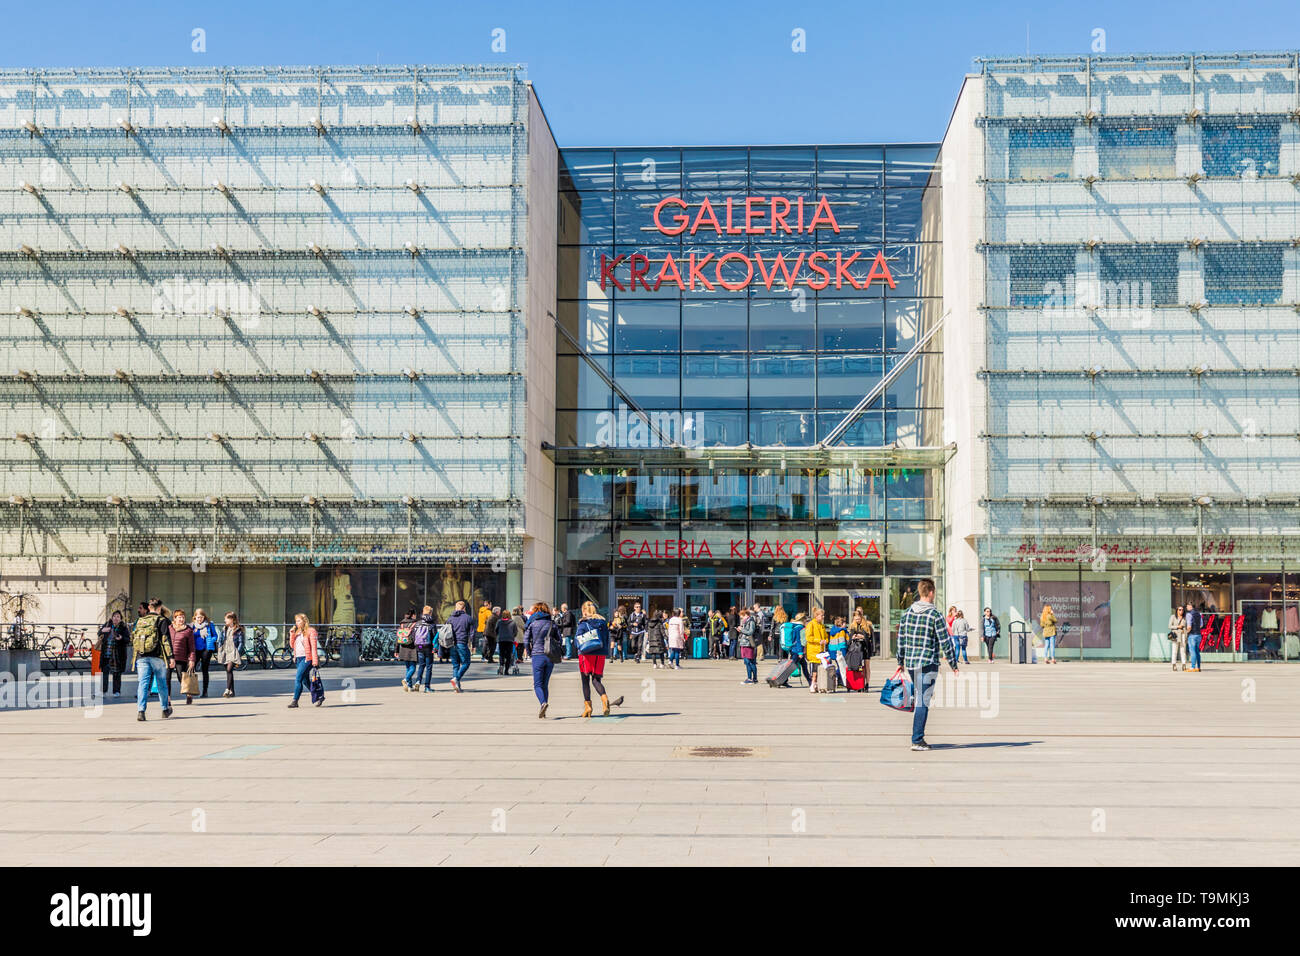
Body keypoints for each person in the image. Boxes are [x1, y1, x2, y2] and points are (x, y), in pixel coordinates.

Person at [896, 578, 959, 751]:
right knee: (923, 700)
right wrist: (953, 664)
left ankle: (917, 736)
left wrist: (900, 661)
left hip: (911, 663)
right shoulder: (935, 615)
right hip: (928, 662)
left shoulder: (907, 613)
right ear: (931, 593)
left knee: (920, 698)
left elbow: (901, 639)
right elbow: (945, 641)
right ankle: (917, 740)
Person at [574, 601, 625, 717]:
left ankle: (588, 708)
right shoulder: (602, 622)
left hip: (586, 654)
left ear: (584, 611)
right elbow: (606, 638)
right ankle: (604, 698)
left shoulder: (583, 623)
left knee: (585, 681)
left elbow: (577, 639)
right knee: (596, 680)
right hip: (600, 654)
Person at [132, 599, 173, 721]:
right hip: (157, 657)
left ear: (149, 607)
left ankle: (141, 711)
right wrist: (171, 657)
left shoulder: (140, 620)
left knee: (143, 684)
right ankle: (165, 709)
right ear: (160, 607)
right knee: (161, 683)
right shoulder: (162, 620)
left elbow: (133, 637)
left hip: (141, 656)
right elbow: (165, 640)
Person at [524, 602, 558, 718]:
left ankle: (543, 703)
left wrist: (529, 653)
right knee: (545, 684)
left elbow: (526, 640)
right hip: (550, 656)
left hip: (537, 655)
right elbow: (559, 639)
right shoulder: (552, 623)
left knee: (537, 684)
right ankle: (544, 709)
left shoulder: (532, 623)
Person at [286, 613, 321, 708]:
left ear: (304, 621)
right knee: (305, 681)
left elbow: (314, 647)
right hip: (298, 659)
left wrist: (315, 661)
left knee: (298, 678)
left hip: (307, 658)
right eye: (296, 621)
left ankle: (295, 701)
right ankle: (318, 696)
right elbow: (292, 646)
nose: (296, 623)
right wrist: (292, 634)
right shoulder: (297, 632)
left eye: (299, 621)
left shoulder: (311, 631)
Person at [96, 610, 130, 697]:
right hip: (106, 653)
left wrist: (121, 638)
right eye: (114, 616)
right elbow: (99, 633)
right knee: (105, 673)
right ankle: (104, 691)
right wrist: (103, 630)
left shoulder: (123, 627)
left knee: (117, 673)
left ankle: (116, 691)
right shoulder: (107, 625)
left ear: (120, 619)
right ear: (112, 617)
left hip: (117, 655)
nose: (116, 618)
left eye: (118, 616)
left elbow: (128, 639)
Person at [166, 609, 197, 705]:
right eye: (179, 617)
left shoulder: (188, 630)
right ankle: (168, 699)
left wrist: (192, 659)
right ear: (174, 618)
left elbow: (192, 647)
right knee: (167, 678)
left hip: (181, 657)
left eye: (183, 617)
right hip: (169, 656)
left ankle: (188, 694)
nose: (181, 619)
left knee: (181, 677)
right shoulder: (169, 628)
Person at [190, 608, 221, 698]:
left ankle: (205, 691)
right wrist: (193, 633)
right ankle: (191, 689)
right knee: (191, 668)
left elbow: (215, 635)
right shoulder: (192, 626)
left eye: (201, 617)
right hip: (195, 649)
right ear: (195, 617)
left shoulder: (209, 624)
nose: (199, 619)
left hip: (206, 649)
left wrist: (211, 639)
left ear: (204, 617)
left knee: (205, 670)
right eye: (198, 617)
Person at [447, 599, 475, 692]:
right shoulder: (468, 618)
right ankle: (456, 678)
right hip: (462, 643)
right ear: (464, 608)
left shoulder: (450, 618)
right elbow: (472, 633)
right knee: (466, 663)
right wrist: (473, 645)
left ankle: (457, 687)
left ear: (456, 608)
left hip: (452, 644)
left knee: (455, 665)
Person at [217, 611, 244, 697]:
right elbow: (220, 639)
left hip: (233, 651)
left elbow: (241, 642)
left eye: (226, 618)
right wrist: (219, 647)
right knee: (229, 672)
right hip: (225, 651)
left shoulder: (238, 630)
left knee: (229, 669)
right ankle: (232, 691)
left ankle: (227, 690)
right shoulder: (224, 629)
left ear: (232, 619)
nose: (225, 620)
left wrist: (238, 652)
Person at [847, 609, 873, 692]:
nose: (857, 621)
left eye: (858, 619)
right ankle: (860, 684)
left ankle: (867, 684)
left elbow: (870, 637)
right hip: (856, 649)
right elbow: (850, 637)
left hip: (866, 648)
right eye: (855, 619)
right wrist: (854, 637)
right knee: (859, 667)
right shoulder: (852, 626)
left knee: (867, 666)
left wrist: (862, 637)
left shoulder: (867, 626)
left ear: (861, 618)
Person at [804, 608, 829, 693]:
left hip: (821, 651)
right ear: (816, 616)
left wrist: (826, 640)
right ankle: (812, 684)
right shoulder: (811, 624)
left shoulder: (821, 625)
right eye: (821, 615)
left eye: (823, 615)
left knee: (820, 669)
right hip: (813, 651)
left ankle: (817, 684)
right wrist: (819, 641)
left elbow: (826, 636)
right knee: (814, 670)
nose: (823, 617)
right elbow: (808, 637)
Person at [414, 604, 436, 692]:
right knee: (429, 667)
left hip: (419, 646)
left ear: (423, 612)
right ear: (430, 613)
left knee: (421, 665)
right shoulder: (432, 623)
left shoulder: (418, 623)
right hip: (428, 647)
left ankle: (418, 681)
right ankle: (427, 687)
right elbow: (434, 636)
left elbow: (413, 634)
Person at [396, 612, 420, 691]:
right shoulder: (415, 624)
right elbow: (418, 637)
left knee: (407, 667)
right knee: (413, 667)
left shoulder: (402, 624)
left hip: (403, 647)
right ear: (413, 615)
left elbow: (398, 637)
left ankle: (409, 686)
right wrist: (420, 647)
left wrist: (396, 650)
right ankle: (406, 679)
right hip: (412, 648)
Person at [738, 609, 758, 684]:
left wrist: (742, 629)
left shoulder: (751, 621)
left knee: (749, 661)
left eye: (742, 617)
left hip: (748, 643)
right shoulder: (746, 621)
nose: (741, 618)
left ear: (746, 615)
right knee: (749, 661)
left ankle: (750, 678)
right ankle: (753, 678)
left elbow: (750, 632)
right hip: (744, 643)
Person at [1168, 605, 1190, 672]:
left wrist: (1186, 632)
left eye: (1182, 610)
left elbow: (1187, 627)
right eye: (1179, 609)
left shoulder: (1185, 617)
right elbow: (1169, 626)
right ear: (1177, 610)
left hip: (1183, 635)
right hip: (1176, 636)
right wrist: (1178, 627)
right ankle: (1174, 664)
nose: (1181, 611)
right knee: (1174, 651)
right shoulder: (1173, 617)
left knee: (1183, 651)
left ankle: (1184, 664)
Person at [495, 608, 516, 675]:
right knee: (508, 655)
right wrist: (512, 636)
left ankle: (501, 666)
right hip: (509, 640)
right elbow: (515, 632)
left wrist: (499, 635)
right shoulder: (512, 622)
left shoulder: (499, 622)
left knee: (501, 654)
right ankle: (506, 670)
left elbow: (496, 630)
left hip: (501, 640)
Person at [1185, 602, 1203, 672]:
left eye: (1187, 606)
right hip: (1198, 635)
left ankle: (1192, 667)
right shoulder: (1199, 614)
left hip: (1192, 635)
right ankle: (1198, 667)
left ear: (1190, 606)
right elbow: (1201, 625)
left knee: (1192, 651)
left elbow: (1189, 626)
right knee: (1197, 651)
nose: (1186, 608)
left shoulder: (1189, 614)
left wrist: (1186, 632)